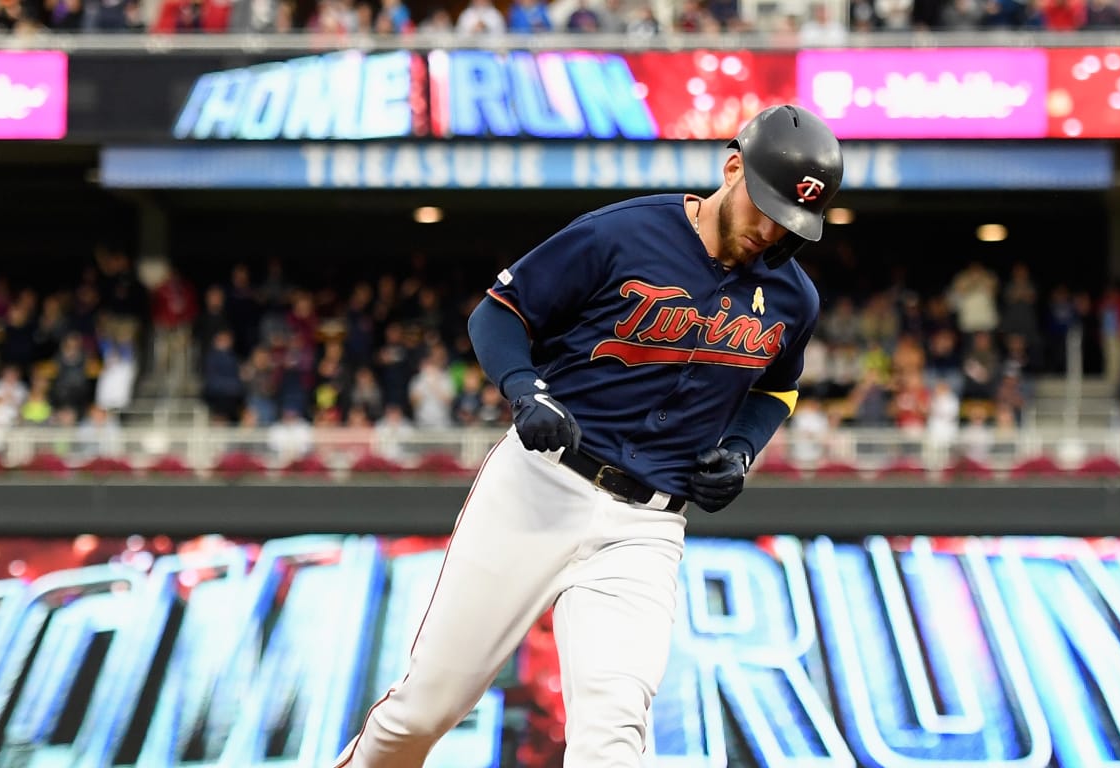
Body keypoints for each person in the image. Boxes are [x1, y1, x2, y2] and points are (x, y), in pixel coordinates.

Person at [330, 104, 844, 768]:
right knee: (425, 711)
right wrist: (525, 388)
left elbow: (777, 387)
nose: (773, 230)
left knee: (614, 735)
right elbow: (499, 312)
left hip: (647, 527)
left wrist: (743, 448)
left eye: (791, 221)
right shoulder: (621, 233)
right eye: (766, 206)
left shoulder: (792, 297)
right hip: (539, 489)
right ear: (733, 166)